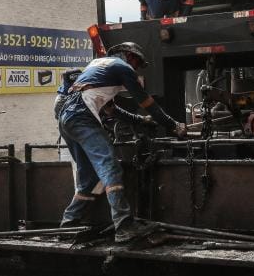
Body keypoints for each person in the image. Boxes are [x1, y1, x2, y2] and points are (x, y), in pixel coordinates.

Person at [57, 42, 187, 241]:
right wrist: (173, 125)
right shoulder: (123, 67)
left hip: (66, 117)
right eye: (137, 62)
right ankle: (124, 225)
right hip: (83, 117)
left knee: (89, 177)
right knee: (111, 167)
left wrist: (141, 120)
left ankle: (68, 224)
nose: (136, 68)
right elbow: (146, 102)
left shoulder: (97, 66)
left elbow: (112, 110)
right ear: (129, 56)